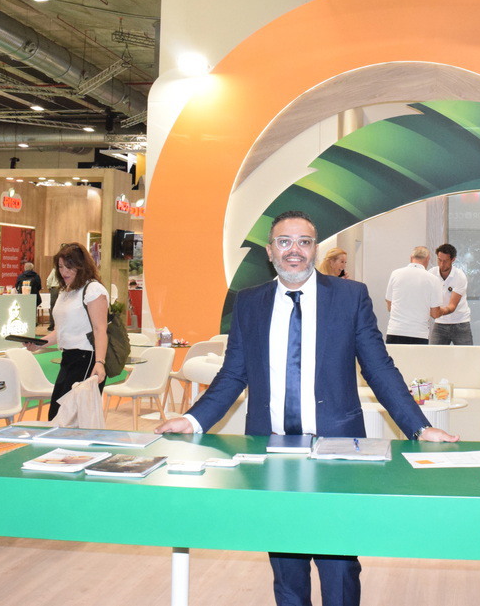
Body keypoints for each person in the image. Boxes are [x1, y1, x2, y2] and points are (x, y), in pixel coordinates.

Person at [156, 210, 457, 606]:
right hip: (271, 452)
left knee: (339, 566)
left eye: (303, 241)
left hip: (337, 452)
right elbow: (233, 374)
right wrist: (193, 419)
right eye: (284, 241)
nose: (294, 250)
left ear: (315, 249)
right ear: (270, 251)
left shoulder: (350, 297)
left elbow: (379, 368)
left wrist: (419, 427)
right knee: (286, 567)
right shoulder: (249, 302)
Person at [27, 243, 109, 419]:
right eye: (61, 267)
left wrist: (100, 362)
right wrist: (39, 344)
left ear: (81, 266)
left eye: (69, 267)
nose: (64, 271)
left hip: (87, 358)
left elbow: (100, 329)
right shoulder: (66, 291)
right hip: (68, 359)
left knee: (74, 418)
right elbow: (61, 331)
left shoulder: (93, 289)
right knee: (58, 416)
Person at [384, 246, 442, 345]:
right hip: (419, 334)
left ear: (411, 257)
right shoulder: (433, 279)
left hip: (395, 331)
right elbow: (435, 313)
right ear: (427, 259)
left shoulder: (395, 274)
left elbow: (389, 305)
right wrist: (447, 310)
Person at [430, 243, 472, 345]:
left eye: (445, 261)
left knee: (467, 354)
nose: (441, 264)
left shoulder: (459, 276)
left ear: (453, 260)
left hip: (460, 323)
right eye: (439, 260)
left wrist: (437, 312)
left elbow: (452, 306)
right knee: (434, 354)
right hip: (440, 323)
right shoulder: (431, 274)